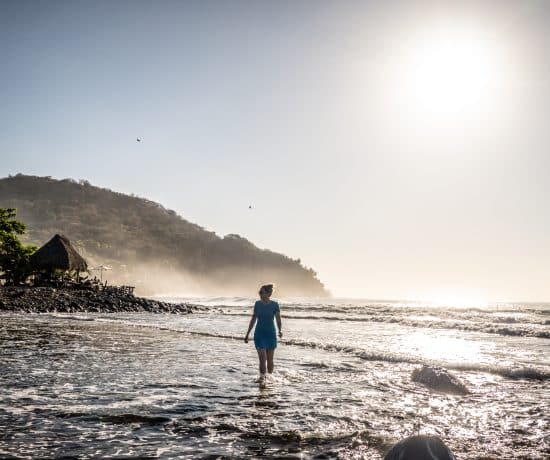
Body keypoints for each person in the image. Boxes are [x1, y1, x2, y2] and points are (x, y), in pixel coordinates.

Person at [244, 284, 282, 387]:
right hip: (259, 334)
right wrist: (247, 334)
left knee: (270, 360)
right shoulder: (257, 304)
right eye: (259, 292)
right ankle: (262, 379)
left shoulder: (275, 305)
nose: (260, 294)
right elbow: (253, 319)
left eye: (262, 292)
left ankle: (269, 378)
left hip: (271, 334)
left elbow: (278, 319)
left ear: (269, 294)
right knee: (262, 357)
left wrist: (280, 330)